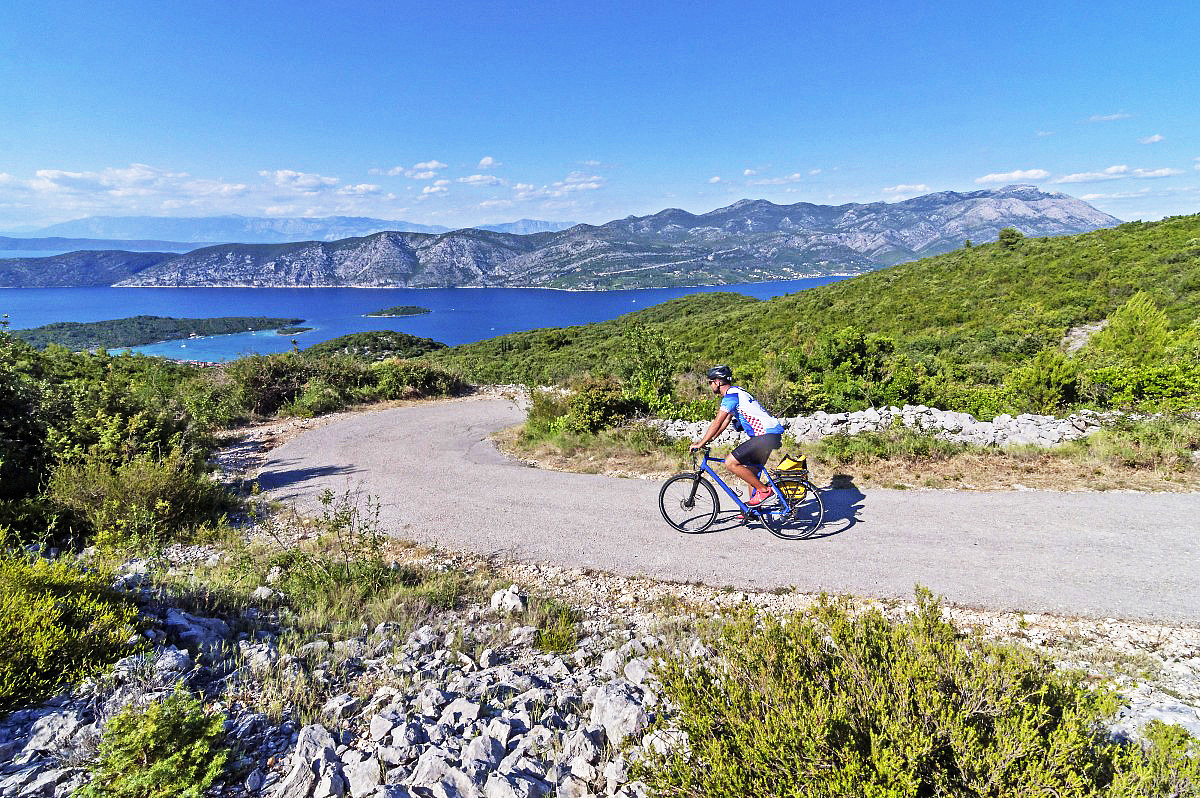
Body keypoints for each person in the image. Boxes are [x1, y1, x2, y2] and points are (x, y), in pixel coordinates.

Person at [690, 365, 785, 506]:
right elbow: (725, 421)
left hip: (764, 436)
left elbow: (717, 422)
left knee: (730, 462)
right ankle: (753, 510)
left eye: (710, 382)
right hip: (770, 435)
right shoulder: (738, 391)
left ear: (717, 382)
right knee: (751, 472)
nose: (710, 386)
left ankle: (764, 491)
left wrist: (701, 443)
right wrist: (711, 439)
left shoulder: (731, 396)